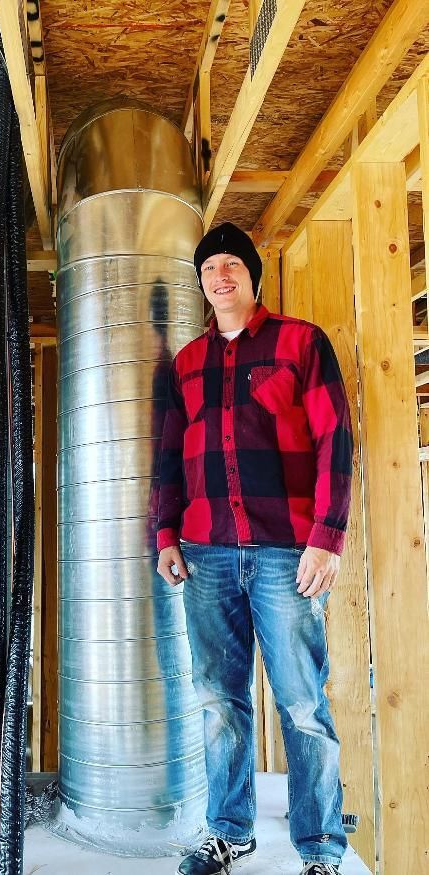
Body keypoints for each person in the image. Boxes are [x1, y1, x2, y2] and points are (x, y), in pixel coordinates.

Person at [156, 222, 352, 875]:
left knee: (303, 704)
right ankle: (229, 831)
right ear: (201, 283)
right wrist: (164, 532)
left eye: (231, 265)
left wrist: (326, 537)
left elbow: (335, 439)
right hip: (206, 552)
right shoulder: (187, 363)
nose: (220, 276)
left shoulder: (301, 342)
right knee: (219, 700)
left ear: (251, 275)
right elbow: (169, 455)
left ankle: (320, 847)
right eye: (209, 268)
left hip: (286, 552)